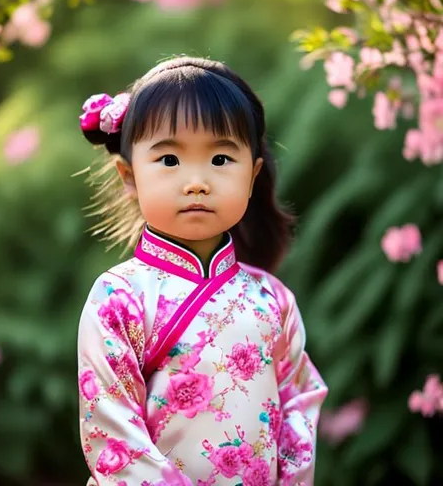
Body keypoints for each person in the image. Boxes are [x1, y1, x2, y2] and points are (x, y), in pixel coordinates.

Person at [76, 56, 328, 486]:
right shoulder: (118, 298)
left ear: (252, 176)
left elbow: (299, 402)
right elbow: (110, 427)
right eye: (170, 160)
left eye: (221, 160)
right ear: (129, 175)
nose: (197, 181)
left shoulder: (272, 299)